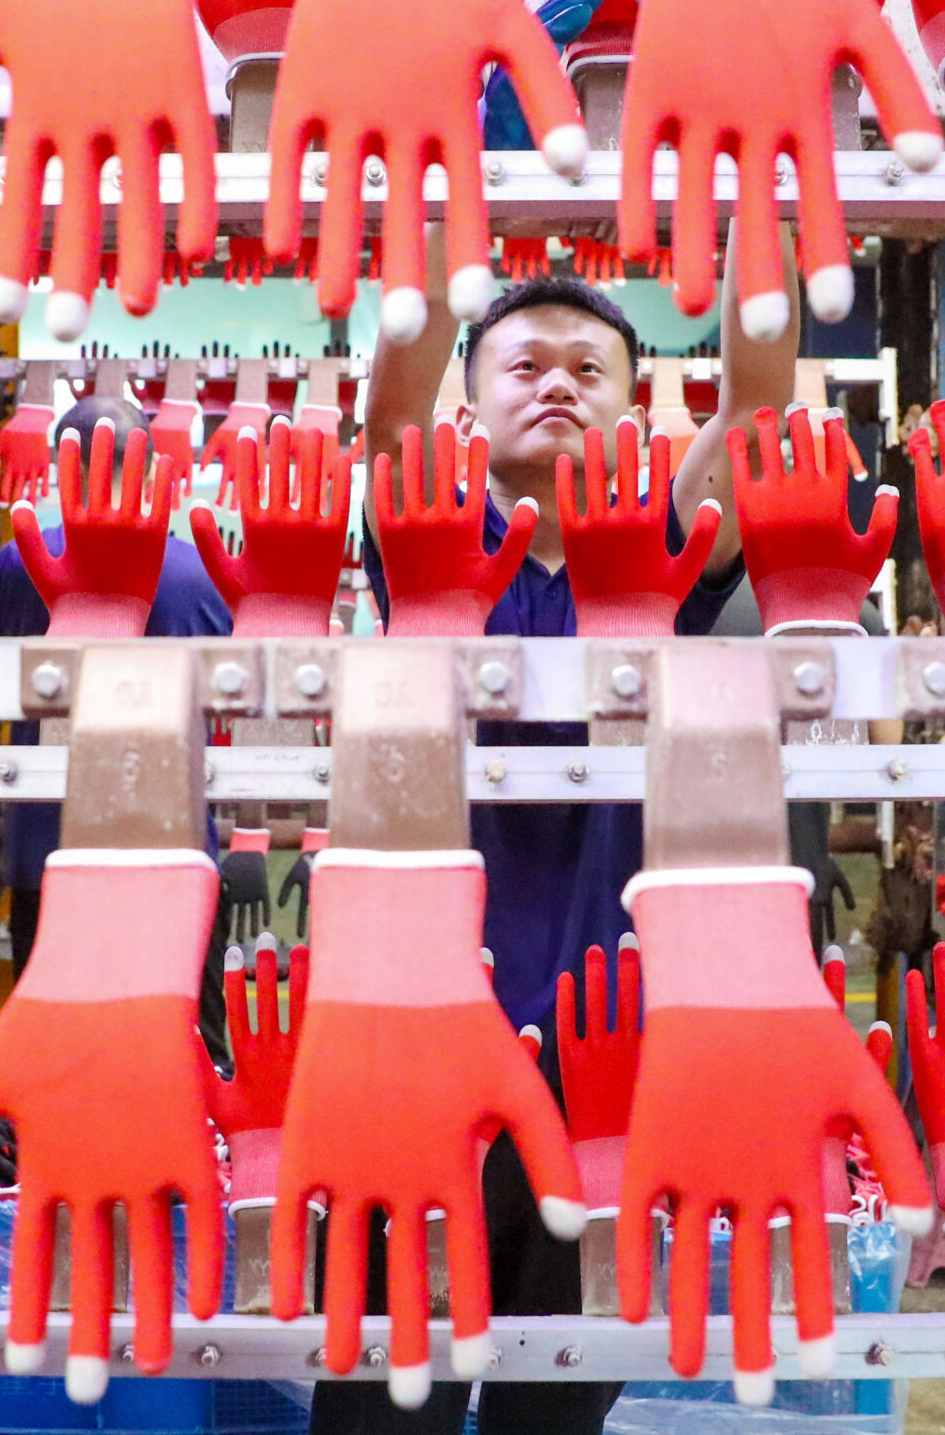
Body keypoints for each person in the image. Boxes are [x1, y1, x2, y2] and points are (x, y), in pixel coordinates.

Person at [321, 252, 798, 1435]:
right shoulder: (426, 524)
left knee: (553, 1403)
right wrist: (441, 210)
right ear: (468, 404)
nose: (558, 386)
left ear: (633, 409)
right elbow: (391, 399)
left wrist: (749, 182)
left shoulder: (655, 548)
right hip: (420, 1035)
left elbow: (756, 405)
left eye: (591, 370)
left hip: (604, 1048)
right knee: (388, 1394)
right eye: (522, 365)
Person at [0, 394, 232, 1007]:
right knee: (183, 1048)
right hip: (176, 851)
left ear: (63, 468)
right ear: (149, 465)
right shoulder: (198, 573)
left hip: (49, 849)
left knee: (51, 1051)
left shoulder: (19, 564)